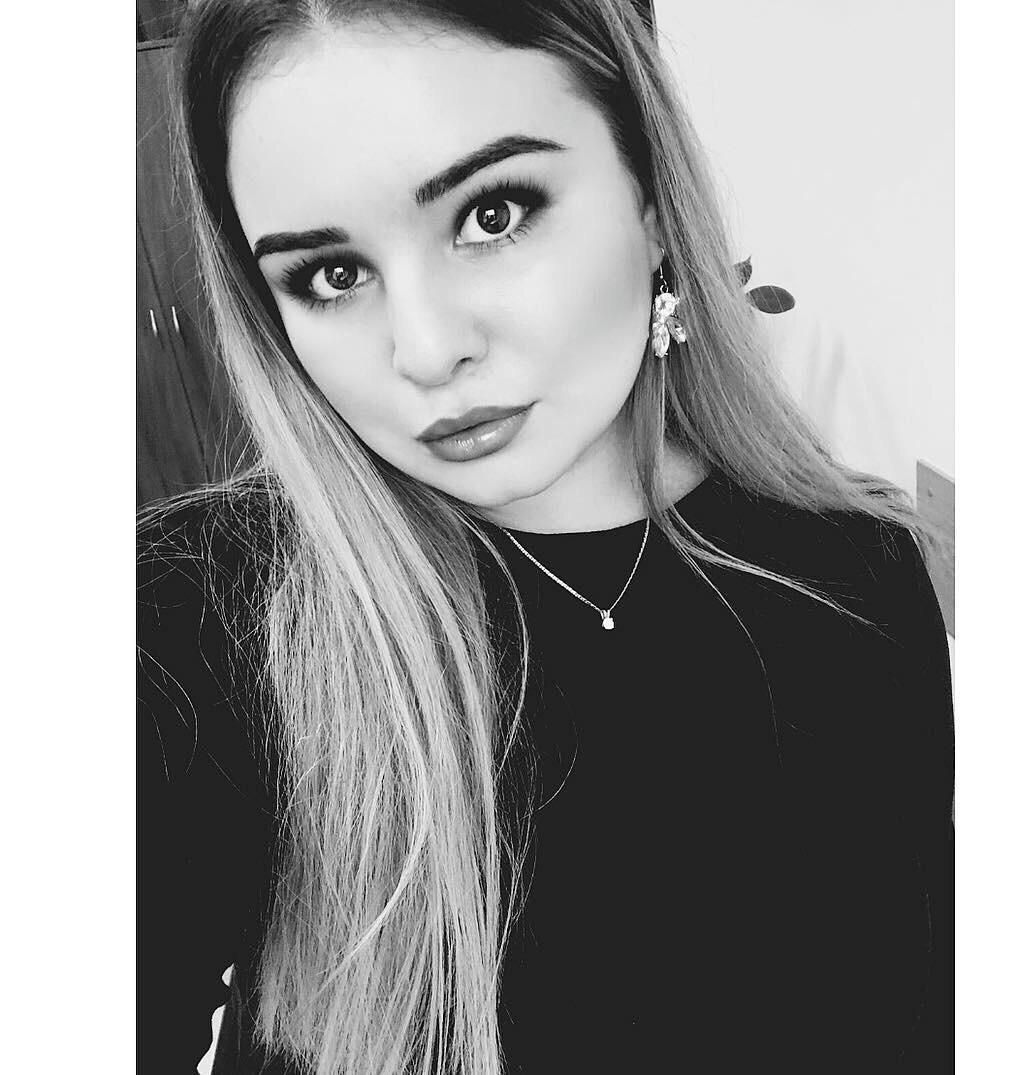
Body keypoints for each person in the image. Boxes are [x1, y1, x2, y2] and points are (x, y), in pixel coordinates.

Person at [137, 1, 954, 1072]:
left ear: (651, 201)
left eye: (493, 213)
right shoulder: (195, 624)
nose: (426, 350)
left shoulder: (860, 573)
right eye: (330, 274)